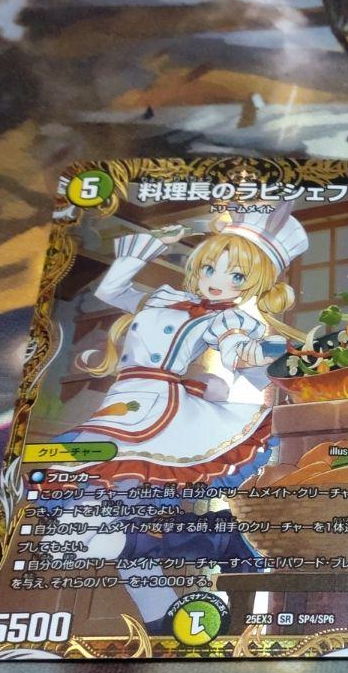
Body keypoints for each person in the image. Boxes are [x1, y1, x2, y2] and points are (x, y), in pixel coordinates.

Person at [57, 202, 308, 488]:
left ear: (254, 283)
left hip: (159, 401)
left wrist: (257, 354)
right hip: (121, 394)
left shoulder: (223, 319)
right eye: (209, 268)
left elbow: (234, 348)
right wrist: (156, 242)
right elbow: (110, 290)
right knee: (88, 473)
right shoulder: (162, 299)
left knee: (130, 478)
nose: (216, 281)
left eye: (237, 276)